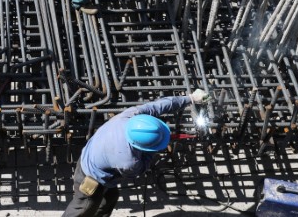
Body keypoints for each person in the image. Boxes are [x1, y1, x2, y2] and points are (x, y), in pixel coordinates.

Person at [62, 90, 211, 217]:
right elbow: (141, 168)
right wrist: (156, 149)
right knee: (84, 208)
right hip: (91, 176)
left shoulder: (130, 116)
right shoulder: (128, 161)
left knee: (110, 198)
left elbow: (160, 105)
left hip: (92, 153)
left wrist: (189, 98)